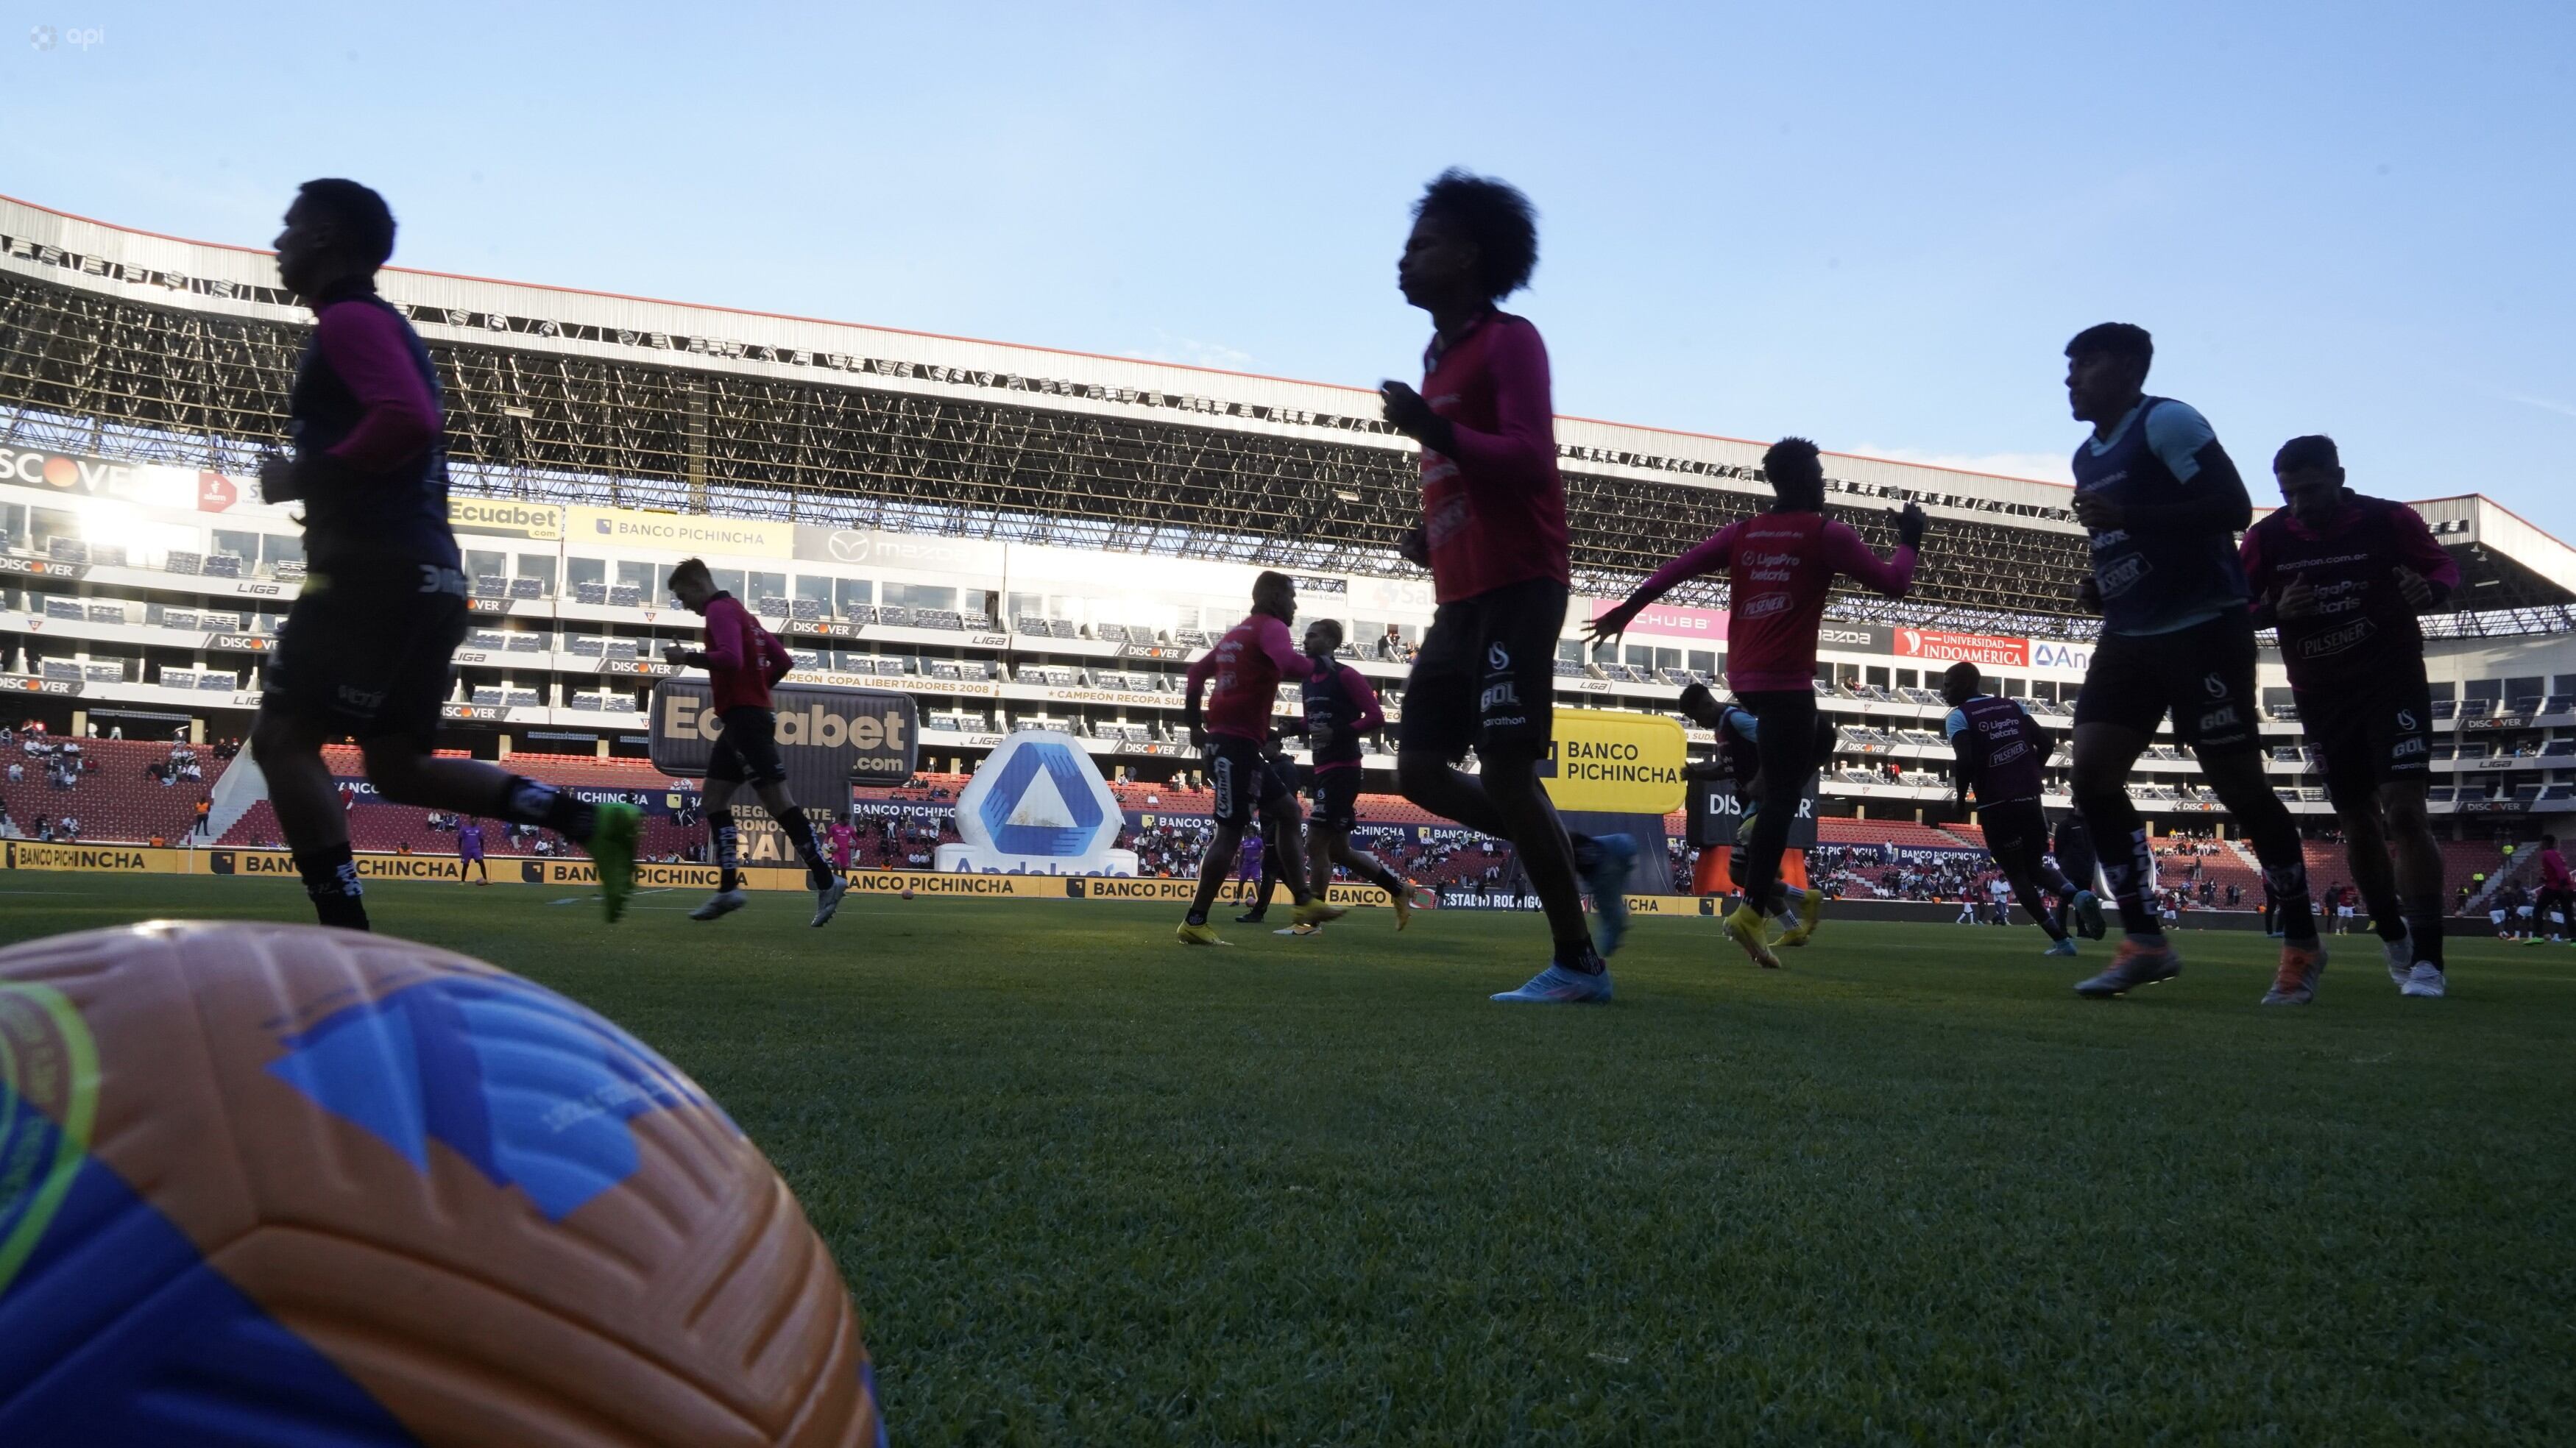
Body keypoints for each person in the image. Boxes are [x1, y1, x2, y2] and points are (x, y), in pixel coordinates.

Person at [247, 178, 638, 931]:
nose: (278, 241)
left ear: (325, 236)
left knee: (283, 739)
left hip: (370, 574)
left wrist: (305, 477)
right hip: (428, 576)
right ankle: (587, 821)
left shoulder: (349, 320)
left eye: (290, 226)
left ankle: (347, 936)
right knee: (397, 767)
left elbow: (408, 420)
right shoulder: (383, 326)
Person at [1376, 168, 1634, 1001]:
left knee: (1506, 772)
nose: (1403, 258)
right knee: (1419, 771)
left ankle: (1578, 965)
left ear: (1469, 255)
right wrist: (1434, 537)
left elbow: (1528, 459)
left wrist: (1431, 427)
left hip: (1521, 585)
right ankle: (1587, 855)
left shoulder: (1510, 341)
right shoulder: (1437, 357)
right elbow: (1469, 476)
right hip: (1459, 599)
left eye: (1422, 244)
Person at [2056, 323, 2321, 1001]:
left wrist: (2129, 516)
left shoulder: (2167, 421)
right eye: (2070, 366)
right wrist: (2106, 581)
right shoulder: (2087, 455)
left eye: (2085, 363)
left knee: (2239, 787)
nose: (2070, 377)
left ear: (2127, 367)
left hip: (2204, 627)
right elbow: (2132, 536)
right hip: (2129, 634)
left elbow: (2231, 507)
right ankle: (2146, 941)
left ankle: (2301, 942)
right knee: (2091, 777)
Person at [1592, 438, 1922, 968]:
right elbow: (1895, 583)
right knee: (1784, 798)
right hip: (1787, 681)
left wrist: (1626, 610)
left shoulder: (1743, 533)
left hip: (1747, 680)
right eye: (1818, 474)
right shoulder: (1826, 533)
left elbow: (1678, 568)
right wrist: (1910, 538)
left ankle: (1770, 863)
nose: (1823, 482)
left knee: (1814, 743)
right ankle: (1750, 912)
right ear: (1804, 480)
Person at [2241, 433, 2459, 997]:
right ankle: (2393, 936)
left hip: (2392, 683)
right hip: (2322, 696)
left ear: (2339, 478)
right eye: (2288, 494)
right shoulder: (2267, 538)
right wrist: (2273, 610)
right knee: (2357, 820)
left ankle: (2430, 962)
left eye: (2310, 490)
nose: (2299, 504)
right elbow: (2233, 607)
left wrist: (2428, 591)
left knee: (2405, 813)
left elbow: (2444, 569)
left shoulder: (2388, 520)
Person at [662, 557, 849, 926]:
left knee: (778, 802)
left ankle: (827, 880)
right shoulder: (742, 613)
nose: (685, 605)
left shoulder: (718, 611)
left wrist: (687, 657)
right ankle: (728, 888)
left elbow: (731, 659)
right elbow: (782, 661)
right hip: (741, 719)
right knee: (713, 799)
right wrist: (756, 690)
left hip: (746, 720)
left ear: (698, 584)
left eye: (683, 596)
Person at [1176, 572, 1340, 943]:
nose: (1294, 605)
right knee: (1229, 833)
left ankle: (1303, 902)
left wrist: (1194, 726)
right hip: (1234, 746)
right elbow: (1289, 663)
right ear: (1276, 597)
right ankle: (1195, 921)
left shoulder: (1238, 634)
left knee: (1289, 811)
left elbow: (1196, 673)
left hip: (1236, 746)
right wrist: (1321, 664)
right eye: (1292, 597)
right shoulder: (1271, 627)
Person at [1940, 661, 2104, 957]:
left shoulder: (1959, 717)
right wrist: (2031, 774)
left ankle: (2062, 942)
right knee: (2035, 866)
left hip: (1996, 805)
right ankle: (2079, 897)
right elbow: (2047, 744)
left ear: (1965, 684)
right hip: (2030, 800)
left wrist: (1961, 799)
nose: (1944, 691)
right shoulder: (2012, 706)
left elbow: (1965, 761)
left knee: (2017, 874)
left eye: (1948, 685)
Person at [1674, 682, 1830, 949]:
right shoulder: (1723, 728)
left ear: (1707, 705)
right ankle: (1793, 927)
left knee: (1741, 873)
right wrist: (1697, 774)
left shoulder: (1736, 720)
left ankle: (1806, 898)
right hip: (1750, 806)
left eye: (1696, 716)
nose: (1698, 723)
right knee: (1754, 873)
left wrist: (1761, 780)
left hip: (1762, 804)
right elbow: (1727, 769)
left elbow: (1773, 744)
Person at [1296, 619, 1417, 927]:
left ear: (1331, 642)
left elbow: (1376, 717)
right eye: (1305, 636)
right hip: (1323, 767)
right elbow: (1312, 722)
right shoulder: (1308, 680)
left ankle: (1311, 923)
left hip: (1343, 768)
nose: (1305, 641)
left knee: (1315, 843)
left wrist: (1337, 733)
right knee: (1339, 851)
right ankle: (1399, 890)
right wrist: (1285, 729)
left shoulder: (1346, 675)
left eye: (1312, 636)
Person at [2534, 834, 2574, 946]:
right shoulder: (2557, 853)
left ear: (2545, 843)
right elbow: (2560, 869)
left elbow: (2560, 869)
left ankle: (2537, 937)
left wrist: (2563, 884)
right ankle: (2574, 940)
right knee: (2568, 914)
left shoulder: (2548, 853)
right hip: (2564, 886)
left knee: (2538, 910)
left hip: (2555, 887)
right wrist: (2546, 879)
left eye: (2541, 842)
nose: (2540, 845)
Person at [456, 816, 489, 885]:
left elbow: (482, 840)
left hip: (476, 849)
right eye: (474, 819)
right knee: (465, 865)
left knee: (481, 863)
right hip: (466, 850)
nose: (475, 820)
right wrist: (460, 849)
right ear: (470, 819)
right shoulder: (464, 828)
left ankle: (486, 880)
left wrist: (482, 850)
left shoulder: (479, 829)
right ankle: (462, 881)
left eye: (476, 819)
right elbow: (460, 839)